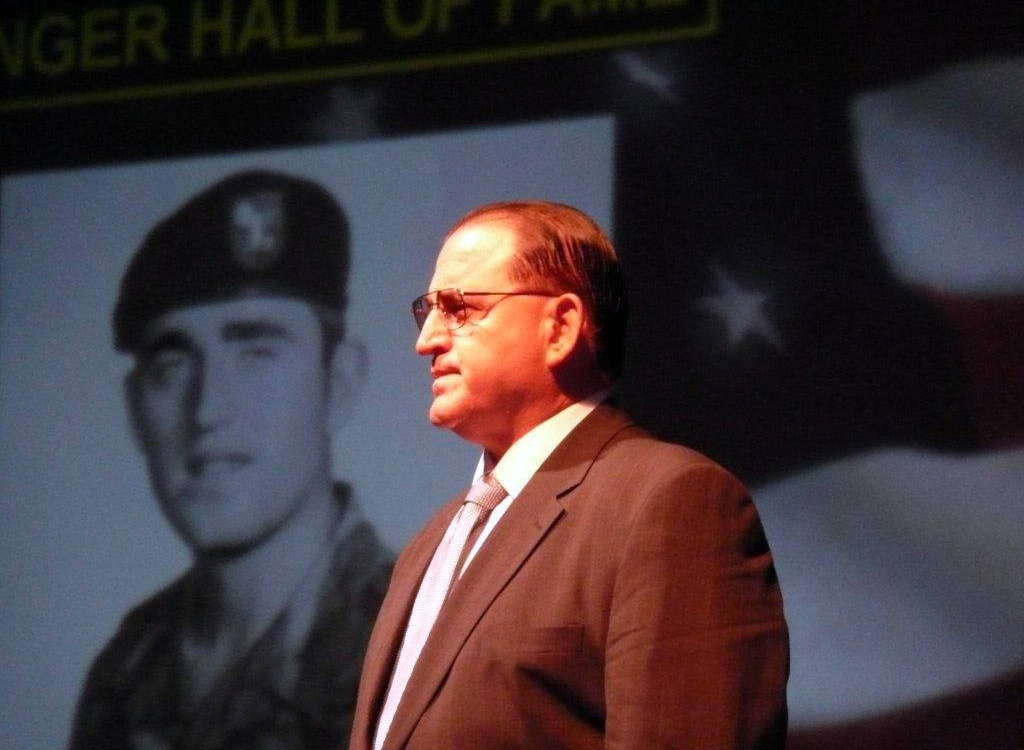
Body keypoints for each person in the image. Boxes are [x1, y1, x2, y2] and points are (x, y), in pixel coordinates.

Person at [349, 200, 789, 750]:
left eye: (458, 307)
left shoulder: (668, 503)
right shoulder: (429, 545)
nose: (427, 341)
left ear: (560, 326)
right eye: (428, 311)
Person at [69, 170, 394, 750]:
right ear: (135, 409)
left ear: (338, 383)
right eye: (172, 365)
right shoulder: (126, 671)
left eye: (256, 353)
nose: (207, 410)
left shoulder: (419, 644)